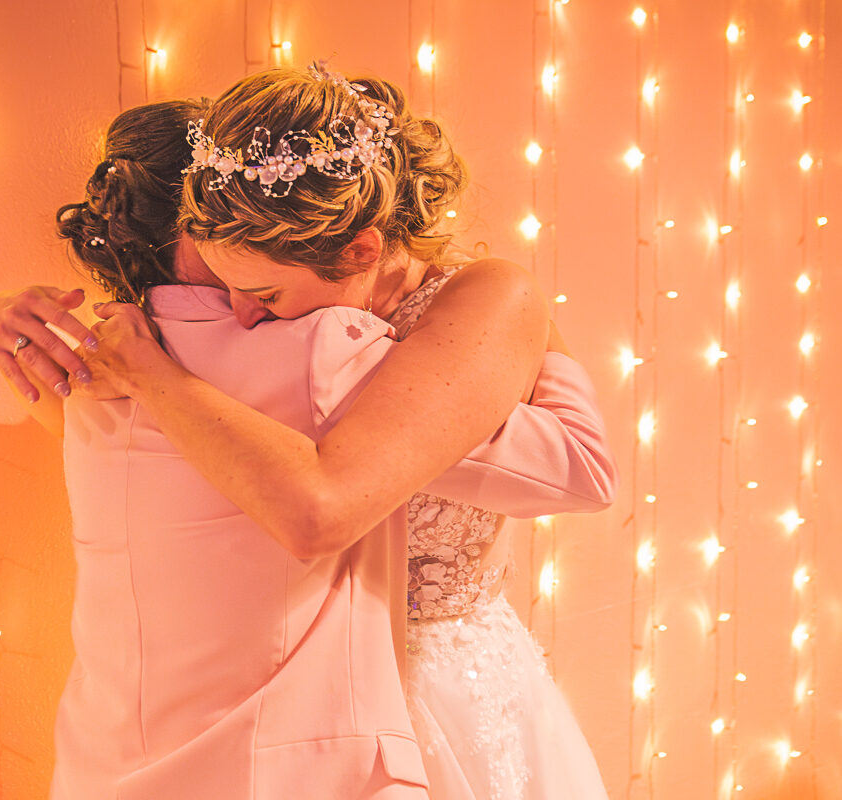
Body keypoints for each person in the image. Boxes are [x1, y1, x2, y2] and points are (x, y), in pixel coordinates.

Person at [75, 66, 614, 799]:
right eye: (226, 287)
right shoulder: (294, 322)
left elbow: (583, 470)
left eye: (263, 293)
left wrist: (157, 376)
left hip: (442, 685)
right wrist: (12, 313)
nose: (239, 316)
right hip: (304, 693)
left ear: (360, 250)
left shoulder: (478, 300)